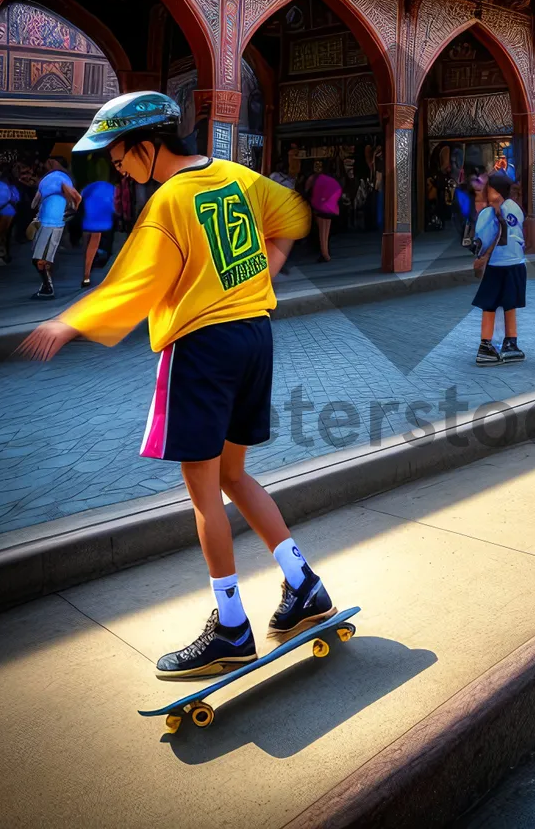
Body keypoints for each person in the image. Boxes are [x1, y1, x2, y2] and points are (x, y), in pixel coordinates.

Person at [18, 91, 329, 679]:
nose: (115, 164)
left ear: (147, 145)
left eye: (117, 153)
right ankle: (303, 585)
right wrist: (262, 272)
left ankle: (232, 628)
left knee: (205, 490)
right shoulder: (237, 175)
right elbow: (293, 215)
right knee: (234, 474)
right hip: (254, 336)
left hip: (202, 349)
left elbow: (133, 284)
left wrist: (70, 321)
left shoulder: (165, 204)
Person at [471, 172, 527, 365]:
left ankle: (485, 345)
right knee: (510, 304)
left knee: (490, 305)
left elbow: (482, 238)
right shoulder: (515, 208)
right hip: (516, 262)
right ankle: (511, 342)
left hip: (495, 264)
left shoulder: (487, 214)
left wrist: (479, 256)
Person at [29, 158, 81, 299]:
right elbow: (34, 204)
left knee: (40, 259)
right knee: (43, 259)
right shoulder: (56, 179)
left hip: (51, 223)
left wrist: (71, 210)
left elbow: (77, 197)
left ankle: (47, 287)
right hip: (49, 222)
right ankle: (46, 285)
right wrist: (71, 211)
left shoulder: (56, 178)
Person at [78, 175, 116, 288]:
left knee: (87, 247)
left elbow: (81, 196)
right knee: (94, 245)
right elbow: (114, 206)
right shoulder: (111, 188)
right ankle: (87, 274)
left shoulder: (90, 187)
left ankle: (86, 273)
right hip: (101, 219)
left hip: (89, 217)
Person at [309, 160, 342, 263]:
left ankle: (325, 254)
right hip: (329, 208)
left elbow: (311, 193)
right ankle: (326, 252)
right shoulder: (329, 179)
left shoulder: (314, 179)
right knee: (325, 232)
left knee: (322, 232)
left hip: (320, 209)